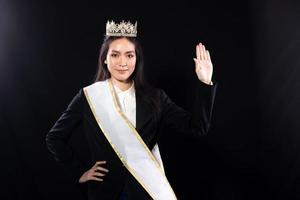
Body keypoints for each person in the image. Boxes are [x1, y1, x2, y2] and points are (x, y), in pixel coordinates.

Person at [46, 20, 217, 200]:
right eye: (115, 55)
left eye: (129, 55)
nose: (122, 62)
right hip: (107, 192)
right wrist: (79, 171)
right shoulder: (89, 96)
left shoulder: (156, 98)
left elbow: (197, 127)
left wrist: (205, 82)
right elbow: (54, 138)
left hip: (146, 191)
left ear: (137, 59)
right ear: (105, 58)